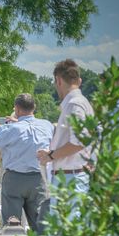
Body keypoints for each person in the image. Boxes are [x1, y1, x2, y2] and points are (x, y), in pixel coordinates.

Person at [0, 94, 54, 232]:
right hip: (39, 179)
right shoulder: (47, 125)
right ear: (34, 107)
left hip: (14, 179)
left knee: (12, 224)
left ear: (17, 109)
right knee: (41, 224)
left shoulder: (11, 129)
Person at [37, 59, 94, 203]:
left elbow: (80, 141)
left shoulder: (75, 104)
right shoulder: (82, 103)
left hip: (70, 179)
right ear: (79, 81)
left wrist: (51, 156)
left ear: (58, 80)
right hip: (72, 176)